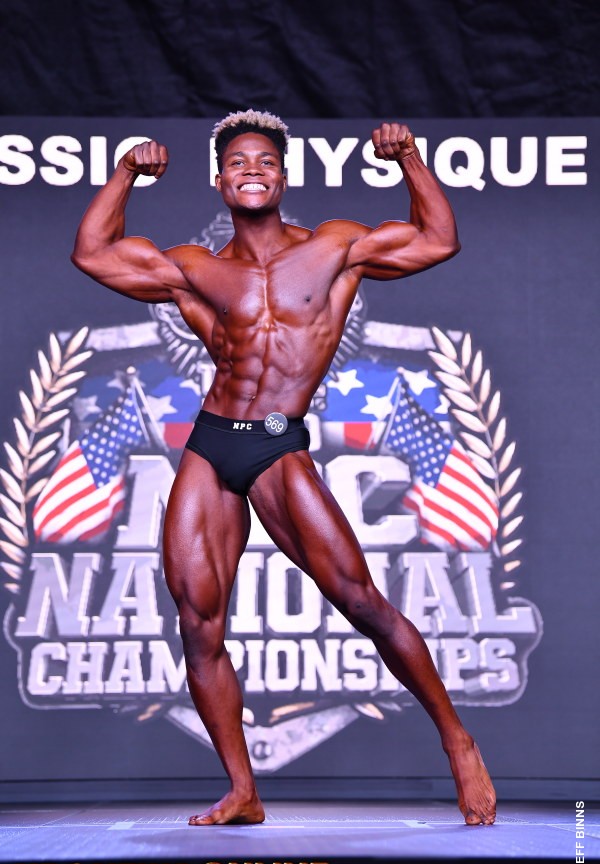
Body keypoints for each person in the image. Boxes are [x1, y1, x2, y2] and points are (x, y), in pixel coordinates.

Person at [72, 110, 496, 827]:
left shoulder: (333, 247)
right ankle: (243, 790)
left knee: (360, 600)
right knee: (198, 622)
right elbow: (94, 253)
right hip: (212, 442)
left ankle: (457, 741)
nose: (252, 170)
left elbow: (437, 240)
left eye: (265, 161)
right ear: (220, 181)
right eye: (238, 162)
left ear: (283, 177)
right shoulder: (196, 268)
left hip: (276, 442)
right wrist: (125, 174)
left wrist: (410, 160)